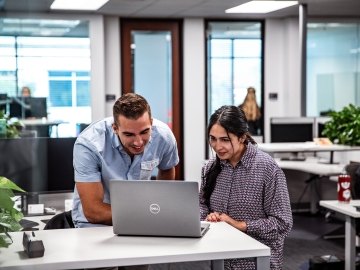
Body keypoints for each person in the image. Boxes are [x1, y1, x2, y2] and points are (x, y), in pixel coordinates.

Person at [72, 93, 179, 270]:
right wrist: (149, 214)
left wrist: (160, 205)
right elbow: (93, 211)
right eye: (129, 134)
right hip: (95, 226)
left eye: (144, 132)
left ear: (151, 122)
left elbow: (167, 168)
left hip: (139, 223)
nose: (138, 142)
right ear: (115, 128)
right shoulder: (88, 145)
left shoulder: (163, 136)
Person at [200, 105, 292, 270]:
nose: (217, 146)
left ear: (242, 137)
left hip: (256, 263)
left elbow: (282, 224)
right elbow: (202, 205)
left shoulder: (267, 169)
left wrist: (239, 225)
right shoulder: (210, 168)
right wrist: (208, 218)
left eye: (225, 140)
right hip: (220, 258)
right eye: (213, 138)